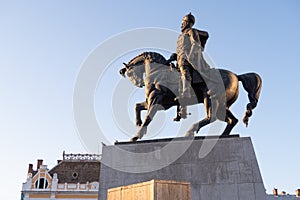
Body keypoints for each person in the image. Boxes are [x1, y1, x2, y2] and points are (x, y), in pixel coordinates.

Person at [175, 13, 224, 119]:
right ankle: (179, 108)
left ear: (187, 23)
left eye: (183, 23)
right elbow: (179, 50)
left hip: (187, 61)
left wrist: (190, 55)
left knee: (185, 74)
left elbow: (196, 44)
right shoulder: (180, 37)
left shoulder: (191, 32)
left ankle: (186, 95)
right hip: (179, 61)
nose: (181, 25)